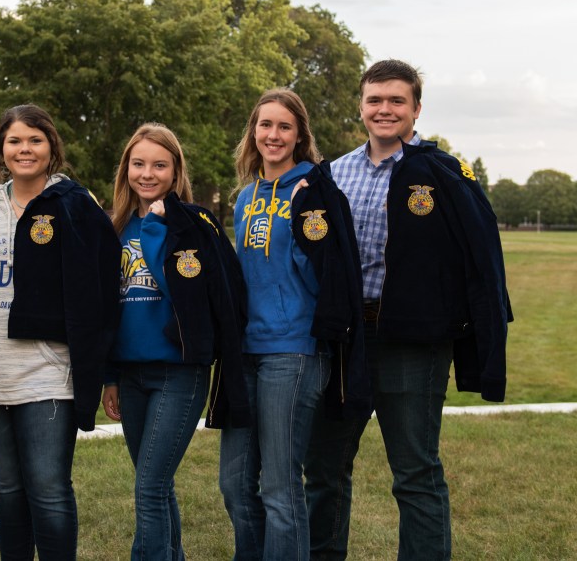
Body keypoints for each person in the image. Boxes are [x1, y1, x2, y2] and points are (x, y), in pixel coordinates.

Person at [304, 60, 512, 561]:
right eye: (375, 100)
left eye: (397, 100)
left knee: (416, 473)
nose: (384, 109)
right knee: (324, 470)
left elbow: (479, 252)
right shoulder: (331, 174)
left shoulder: (441, 173)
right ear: (361, 106)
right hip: (345, 342)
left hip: (412, 345)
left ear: (416, 109)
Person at [218, 89, 367, 561]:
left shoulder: (316, 192)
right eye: (265, 125)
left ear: (300, 134)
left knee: (281, 488)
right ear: (253, 132)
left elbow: (330, 274)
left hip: (295, 351)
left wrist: (310, 216)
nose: (273, 135)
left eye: (284, 126)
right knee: (236, 483)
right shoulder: (245, 198)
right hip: (245, 350)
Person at [0, 104, 121, 560]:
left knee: (49, 489)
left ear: (52, 147)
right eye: (14, 140)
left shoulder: (75, 205)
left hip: (50, 374)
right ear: (1, 150)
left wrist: (99, 360)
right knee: (8, 487)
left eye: (34, 139)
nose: (24, 149)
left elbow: (101, 284)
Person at [101, 123, 248, 560]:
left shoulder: (194, 224)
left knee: (148, 487)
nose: (147, 174)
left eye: (159, 165)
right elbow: (109, 308)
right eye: (139, 163)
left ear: (175, 170)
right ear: (126, 167)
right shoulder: (115, 227)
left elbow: (189, 293)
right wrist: (109, 376)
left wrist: (156, 230)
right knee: (157, 487)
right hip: (130, 373)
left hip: (178, 372)